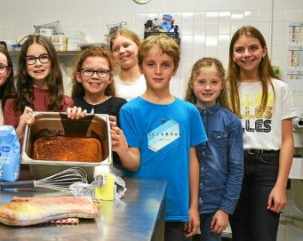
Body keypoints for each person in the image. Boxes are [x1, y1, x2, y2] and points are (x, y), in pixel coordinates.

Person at [112, 34, 207, 240]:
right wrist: (121, 149)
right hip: (139, 208)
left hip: (177, 207)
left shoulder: (189, 111)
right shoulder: (130, 110)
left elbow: (192, 161)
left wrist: (193, 207)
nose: (157, 71)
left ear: (175, 68)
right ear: (141, 66)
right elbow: (133, 163)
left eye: (165, 65)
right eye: (151, 64)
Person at [227, 26, 297, 241]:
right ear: (232, 55)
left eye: (253, 48)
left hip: (267, 169)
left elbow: (286, 140)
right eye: (240, 49)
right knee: (240, 235)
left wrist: (280, 186)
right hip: (234, 166)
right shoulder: (225, 88)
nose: (247, 54)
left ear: (264, 51)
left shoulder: (279, 88)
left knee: (264, 235)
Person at [184, 57, 244, 241]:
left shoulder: (231, 122)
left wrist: (225, 209)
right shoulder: (182, 116)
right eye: (201, 82)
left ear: (222, 85)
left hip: (215, 203)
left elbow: (236, 168)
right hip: (184, 202)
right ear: (192, 84)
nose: (207, 87)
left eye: (214, 82)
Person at [66, 45, 127, 173]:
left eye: (102, 71)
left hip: (111, 174)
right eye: (88, 71)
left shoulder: (120, 106)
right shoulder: (70, 105)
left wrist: (115, 132)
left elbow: (126, 153)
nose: (95, 76)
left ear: (110, 78)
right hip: (75, 172)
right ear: (79, 76)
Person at [4, 35, 74, 139]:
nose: (38, 63)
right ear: (24, 64)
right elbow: (7, 147)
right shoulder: (12, 103)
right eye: (31, 58)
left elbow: (69, 144)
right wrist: (21, 128)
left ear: (52, 61)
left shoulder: (66, 103)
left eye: (44, 57)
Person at [109, 29, 146, 101]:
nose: (121, 51)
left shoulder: (151, 81)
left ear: (139, 47)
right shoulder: (110, 83)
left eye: (126, 45)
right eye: (116, 49)